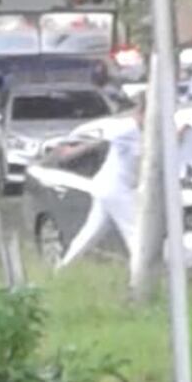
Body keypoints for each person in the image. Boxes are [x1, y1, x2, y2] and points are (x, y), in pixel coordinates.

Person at [59, 96, 145, 267]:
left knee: (90, 234)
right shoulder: (126, 128)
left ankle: (62, 270)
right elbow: (102, 135)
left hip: (113, 187)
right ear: (141, 112)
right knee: (137, 235)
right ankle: (140, 284)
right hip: (115, 188)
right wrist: (75, 149)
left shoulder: (151, 131)